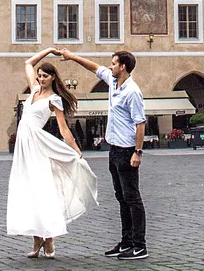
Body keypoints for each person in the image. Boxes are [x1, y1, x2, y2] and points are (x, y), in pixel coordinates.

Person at [6, 47, 98, 258]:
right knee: (27, 190)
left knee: (42, 189)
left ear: (53, 77)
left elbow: (64, 128)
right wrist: (48, 50)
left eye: (45, 76)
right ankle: (36, 239)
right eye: (39, 76)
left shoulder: (54, 99)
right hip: (24, 147)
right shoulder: (33, 90)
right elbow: (28, 63)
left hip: (38, 145)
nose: (40, 79)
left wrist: (76, 149)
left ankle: (49, 240)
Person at [58, 47, 148, 261]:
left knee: (132, 198)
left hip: (127, 150)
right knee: (121, 197)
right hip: (114, 149)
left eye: (114, 63)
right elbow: (94, 68)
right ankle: (126, 242)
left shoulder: (132, 91)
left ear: (123, 67)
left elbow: (140, 123)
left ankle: (140, 245)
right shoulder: (113, 82)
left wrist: (138, 152)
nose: (110, 66)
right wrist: (71, 57)